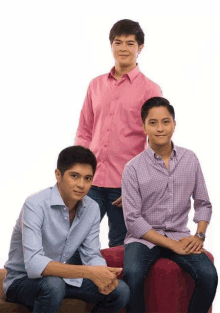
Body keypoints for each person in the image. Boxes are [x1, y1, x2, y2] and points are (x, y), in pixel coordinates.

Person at [3, 146, 130, 313]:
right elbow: (34, 264)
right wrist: (90, 272)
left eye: (88, 178)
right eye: (74, 176)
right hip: (22, 281)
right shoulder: (35, 205)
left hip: (63, 280)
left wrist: (102, 274)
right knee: (53, 285)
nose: (81, 185)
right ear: (58, 175)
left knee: (120, 290)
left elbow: (91, 254)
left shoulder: (91, 208)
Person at [122, 97, 218, 313]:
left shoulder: (190, 159)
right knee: (133, 274)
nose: (160, 129)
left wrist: (199, 236)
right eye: (153, 123)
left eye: (166, 122)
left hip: (179, 234)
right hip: (144, 238)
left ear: (174, 124)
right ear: (144, 126)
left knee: (209, 275)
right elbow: (133, 220)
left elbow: (203, 203)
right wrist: (171, 245)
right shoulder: (133, 168)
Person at [75, 19, 162, 247]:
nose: (123, 48)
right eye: (118, 42)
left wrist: (138, 186)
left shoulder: (150, 90)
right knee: (77, 241)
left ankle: (118, 285)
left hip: (124, 186)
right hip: (90, 181)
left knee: (120, 247)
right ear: (111, 45)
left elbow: (154, 142)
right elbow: (85, 130)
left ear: (139, 48)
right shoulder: (96, 85)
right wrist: (79, 171)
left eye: (130, 43)